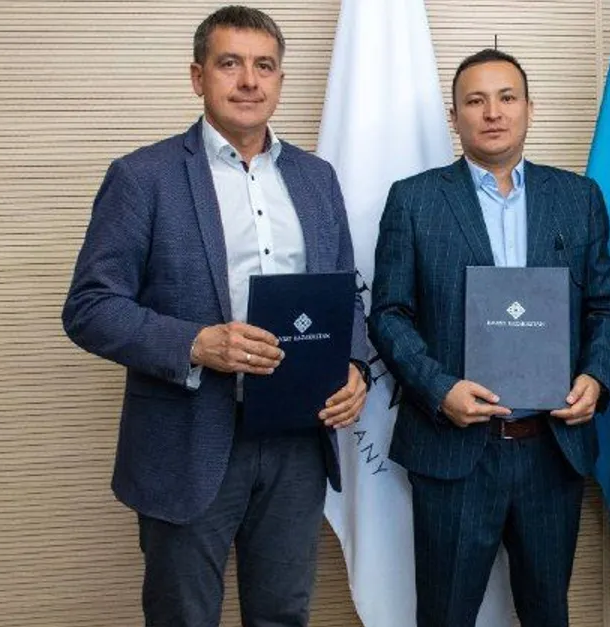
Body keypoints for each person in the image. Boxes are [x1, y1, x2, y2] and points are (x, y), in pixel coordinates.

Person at [62, 6, 368, 625]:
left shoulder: (316, 178)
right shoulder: (142, 177)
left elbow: (346, 296)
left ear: (280, 79)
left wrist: (355, 364)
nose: (249, 80)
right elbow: (90, 307)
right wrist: (196, 343)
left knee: (282, 614)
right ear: (198, 77)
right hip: (187, 439)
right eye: (230, 64)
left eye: (264, 66)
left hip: (297, 441)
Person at [368, 48, 610, 627]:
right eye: (475, 101)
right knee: (446, 615)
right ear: (454, 116)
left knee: (547, 613)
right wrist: (439, 390)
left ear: (529, 108)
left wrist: (594, 376)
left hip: (550, 449)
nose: (492, 113)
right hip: (454, 449)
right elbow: (388, 313)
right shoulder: (414, 200)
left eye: (507, 97)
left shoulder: (578, 198)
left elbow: (605, 305)